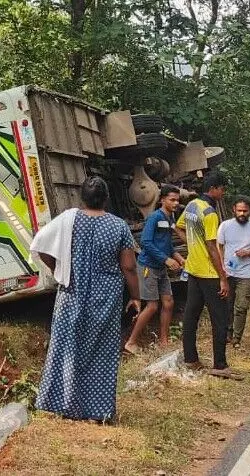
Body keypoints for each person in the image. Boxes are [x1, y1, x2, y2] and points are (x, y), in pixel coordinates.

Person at [31, 176, 140, 422]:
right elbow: (129, 267)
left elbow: (40, 244)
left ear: (82, 197)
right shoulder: (118, 226)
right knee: (102, 352)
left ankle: (62, 404)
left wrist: (59, 270)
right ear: (107, 199)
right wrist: (135, 296)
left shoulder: (67, 220)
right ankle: (97, 411)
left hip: (71, 295)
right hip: (106, 299)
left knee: (67, 347)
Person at [177, 171, 241, 379]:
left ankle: (190, 359)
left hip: (193, 270)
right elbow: (213, 247)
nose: (223, 193)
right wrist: (223, 277)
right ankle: (220, 365)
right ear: (214, 189)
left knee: (190, 316)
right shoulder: (210, 213)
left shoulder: (191, 206)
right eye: (222, 189)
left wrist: (193, 246)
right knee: (220, 319)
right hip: (209, 273)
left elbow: (178, 227)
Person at [125, 184, 185, 353]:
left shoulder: (170, 218)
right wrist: (165, 259)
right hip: (148, 267)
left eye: (177, 200)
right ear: (162, 200)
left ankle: (164, 341)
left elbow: (167, 245)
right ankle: (131, 342)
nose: (175, 203)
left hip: (161, 267)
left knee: (168, 302)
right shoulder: (154, 218)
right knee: (152, 306)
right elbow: (145, 243)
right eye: (172, 200)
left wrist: (178, 258)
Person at [217, 196, 250, 348]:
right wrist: (221, 266)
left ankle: (237, 338)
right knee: (227, 304)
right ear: (234, 210)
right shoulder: (225, 226)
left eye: (245, 211)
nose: (242, 213)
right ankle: (227, 333)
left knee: (241, 306)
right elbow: (218, 246)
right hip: (228, 272)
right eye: (239, 210)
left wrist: (249, 253)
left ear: (249, 211)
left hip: (246, 273)